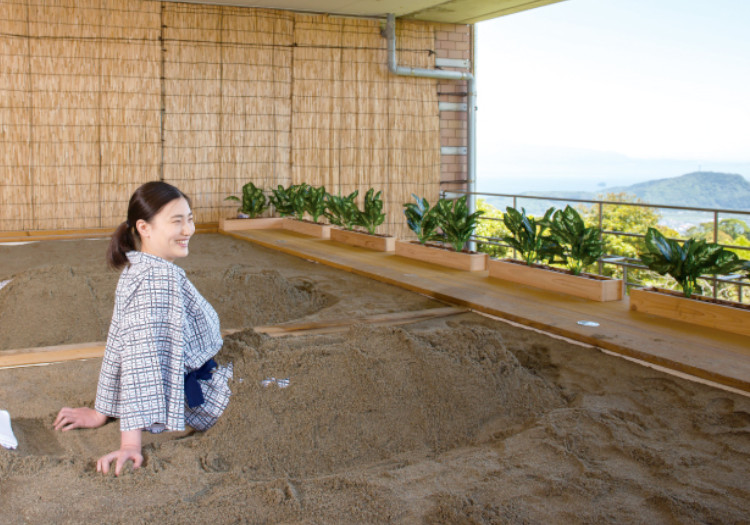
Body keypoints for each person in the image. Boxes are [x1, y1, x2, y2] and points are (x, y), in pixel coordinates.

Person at [53, 181, 232, 476]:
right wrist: (130, 444)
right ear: (144, 228)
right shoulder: (154, 282)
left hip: (210, 375)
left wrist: (102, 409)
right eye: (177, 221)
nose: (188, 230)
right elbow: (138, 361)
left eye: (190, 219)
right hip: (209, 395)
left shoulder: (138, 268)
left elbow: (118, 343)